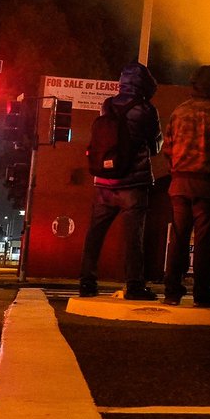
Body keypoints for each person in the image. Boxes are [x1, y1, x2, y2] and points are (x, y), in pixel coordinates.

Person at [78, 62, 162, 299]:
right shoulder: (146, 110)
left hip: (104, 183)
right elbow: (156, 145)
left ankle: (87, 283)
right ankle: (134, 286)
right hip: (133, 185)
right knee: (133, 238)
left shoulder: (107, 105)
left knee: (94, 234)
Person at [161, 64, 210, 308]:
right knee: (205, 241)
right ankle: (203, 293)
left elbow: (168, 148)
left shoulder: (179, 112)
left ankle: (172, 292)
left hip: (179, 184)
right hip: (209, 186)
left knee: (179, 237)